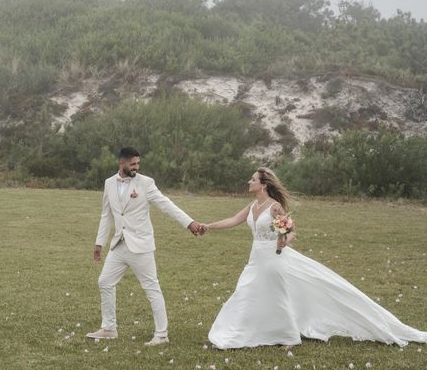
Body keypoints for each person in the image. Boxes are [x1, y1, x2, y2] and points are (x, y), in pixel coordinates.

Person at [204, 167, 427, 349]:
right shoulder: (253, 205)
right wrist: (207, 227)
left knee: (274, 294)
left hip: (273, 258)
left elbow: (289, 232)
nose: (248, 181)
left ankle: (289, 336)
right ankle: (242, 330)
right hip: (256, 258)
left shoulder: (274, 207)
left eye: (252, 179)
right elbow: (233, 220)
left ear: (263, 184)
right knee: (247, 290)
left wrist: (284, 241)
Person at [86, 147, 205, 346]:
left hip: (141, 246)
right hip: (119, 245)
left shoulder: (146, 183)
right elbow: (106, 215)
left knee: (151, 287)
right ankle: (109, 328)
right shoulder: (108, 183)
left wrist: (189, 223)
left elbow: (166, 205)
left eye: (138, 164)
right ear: (121, 162)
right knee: (105, 282)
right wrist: (99, 243)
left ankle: (161, 334)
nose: (136, 167)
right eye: (133, 164)